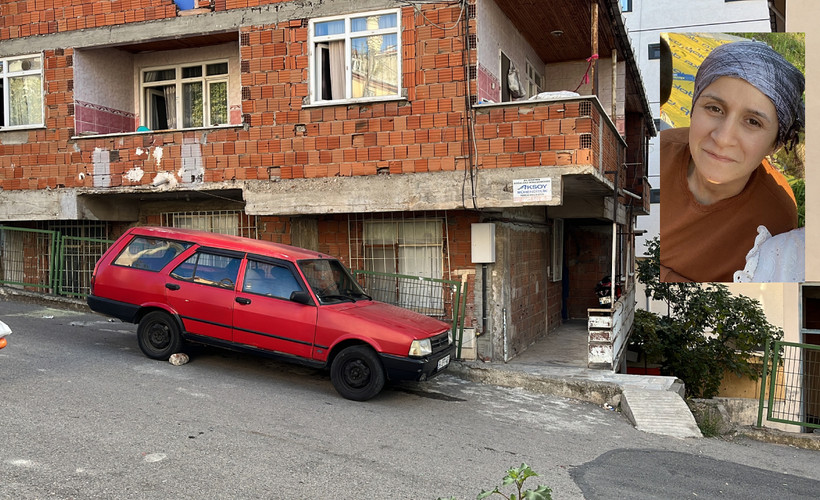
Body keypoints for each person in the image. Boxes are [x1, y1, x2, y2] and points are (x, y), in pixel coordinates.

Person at [660, 40, 804, 282]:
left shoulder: (776, 219)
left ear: (775, 144)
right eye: (714, 108)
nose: (723, 138)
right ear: (693, 108)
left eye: (753, 122)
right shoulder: (656, 154)